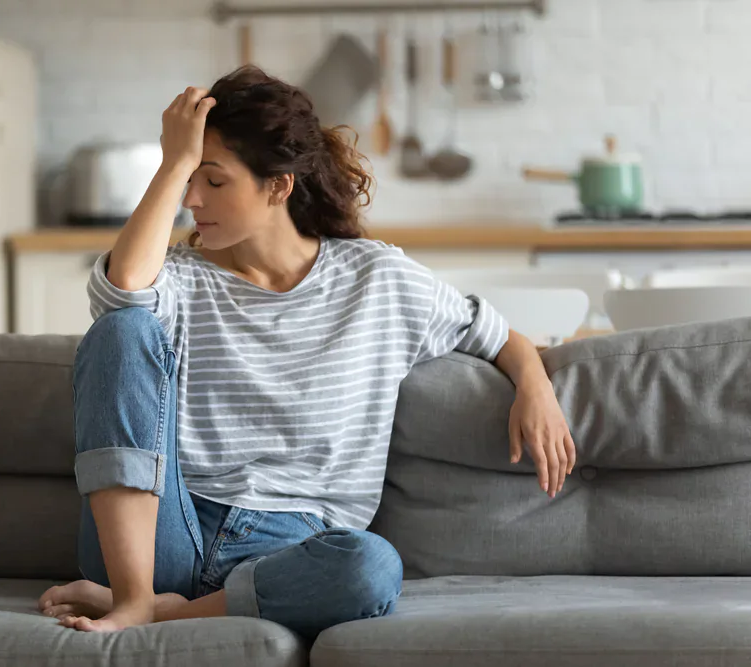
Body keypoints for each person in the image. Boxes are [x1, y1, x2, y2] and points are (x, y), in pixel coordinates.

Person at [38, 65, 576, 640]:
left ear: (278, 186)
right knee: (123, 328)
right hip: (161, 534)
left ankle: (153, 611)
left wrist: (536, 387)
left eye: (213, 181)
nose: (192, 198)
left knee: (371, 567)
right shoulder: (179, 280)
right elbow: (120, 294)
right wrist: (173, 163)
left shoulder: (377, 278)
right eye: (187, 178)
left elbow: (495, 334)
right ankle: (136, 591)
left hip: (292, 552)